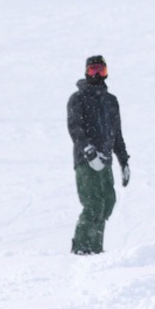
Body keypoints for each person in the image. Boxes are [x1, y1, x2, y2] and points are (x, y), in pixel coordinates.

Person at [67, 55, 130, 255]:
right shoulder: (78, 98)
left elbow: (116, 132)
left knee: (107, 202)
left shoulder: (111, 101)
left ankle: (95, 247)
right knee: (93, 204)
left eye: (101, 71)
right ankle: (81, 248)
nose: (97, 75)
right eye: (93, 71)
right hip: (86, 161)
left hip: (106, 160)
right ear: (86, 72)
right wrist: (88, 151)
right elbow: (75, 128)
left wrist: (124, 160)